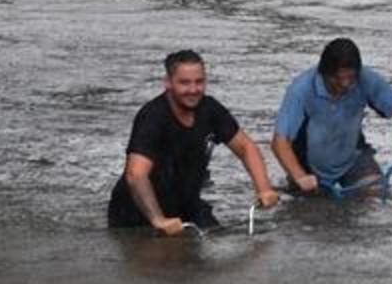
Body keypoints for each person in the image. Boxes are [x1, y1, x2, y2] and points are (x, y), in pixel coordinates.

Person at [108, 50, 279, 235]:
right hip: (138, 214)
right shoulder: (153, 117)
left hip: (187, 206)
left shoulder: (210, 109)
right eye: (184, 83)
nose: (193, 90)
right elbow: (136, 175)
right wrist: (158, 220)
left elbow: (246, 147)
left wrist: (264, 188)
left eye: (199, 82)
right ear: (168, 83)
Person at [271, 38, 392, 194]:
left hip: (353, 158)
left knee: (377, 194)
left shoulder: (366, 79)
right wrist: (299, 176)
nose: (345, 84)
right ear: (324, 73)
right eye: (338, 78)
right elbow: (280, 142)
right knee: (312, 212)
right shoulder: (301, 89)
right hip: (309, 167)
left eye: (351, 78)